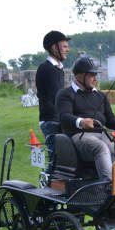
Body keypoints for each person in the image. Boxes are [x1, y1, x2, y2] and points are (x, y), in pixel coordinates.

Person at [56, 57, 115, 182]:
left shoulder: (100, 95)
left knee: (113, 146)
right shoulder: (66, 94)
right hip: (79, 136)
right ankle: (108, 185)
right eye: (92, 75)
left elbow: (110, 119)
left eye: (96, 75)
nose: (95, 78)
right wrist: (81, 122)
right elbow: (64, 117)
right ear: (80, 75)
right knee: (100, 147)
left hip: (101, 133)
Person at [36, 30, 70, 174]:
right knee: (56, 161)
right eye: (64, 46)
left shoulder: (56, 69)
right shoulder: (48, 69)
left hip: (55, 119)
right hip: (51, 120)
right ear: (53, 48)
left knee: (62, 160)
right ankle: (44, 191)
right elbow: (58, 97)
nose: (67, 49)